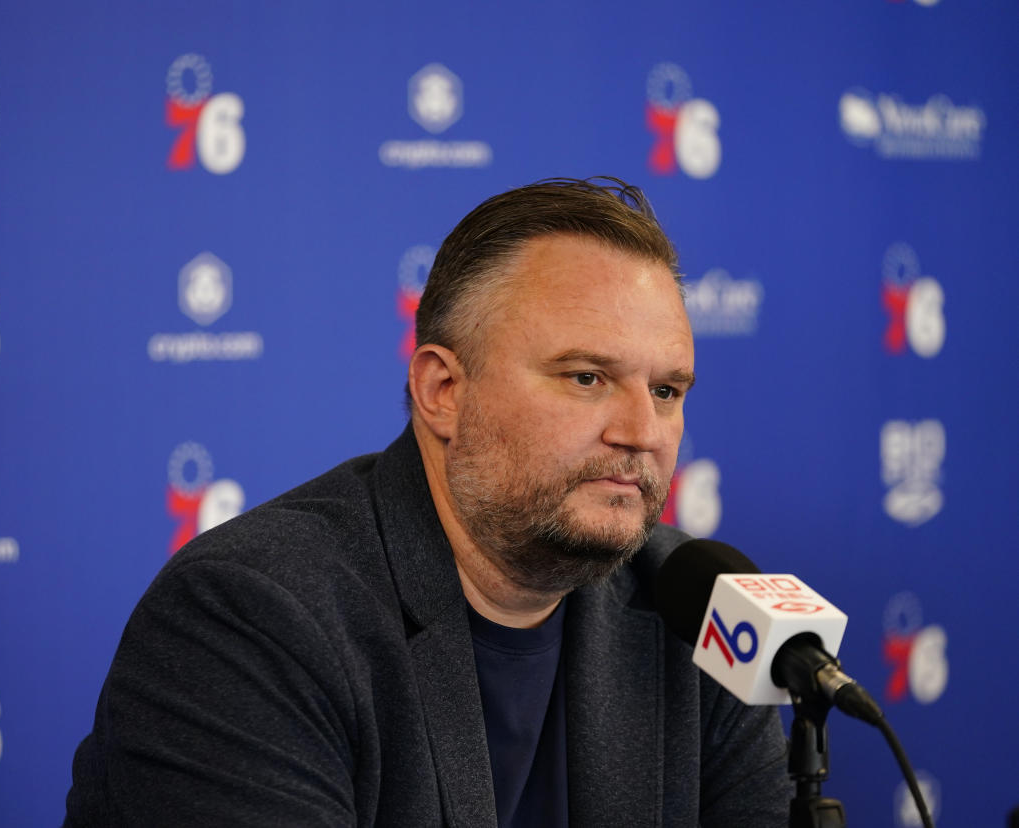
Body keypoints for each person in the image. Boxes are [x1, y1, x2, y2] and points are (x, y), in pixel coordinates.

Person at [65, 177, 791, 827]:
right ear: (444, 391)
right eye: (585, 378)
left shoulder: (700, 612)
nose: (641, 433)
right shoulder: (249, 616)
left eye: (666, 391)